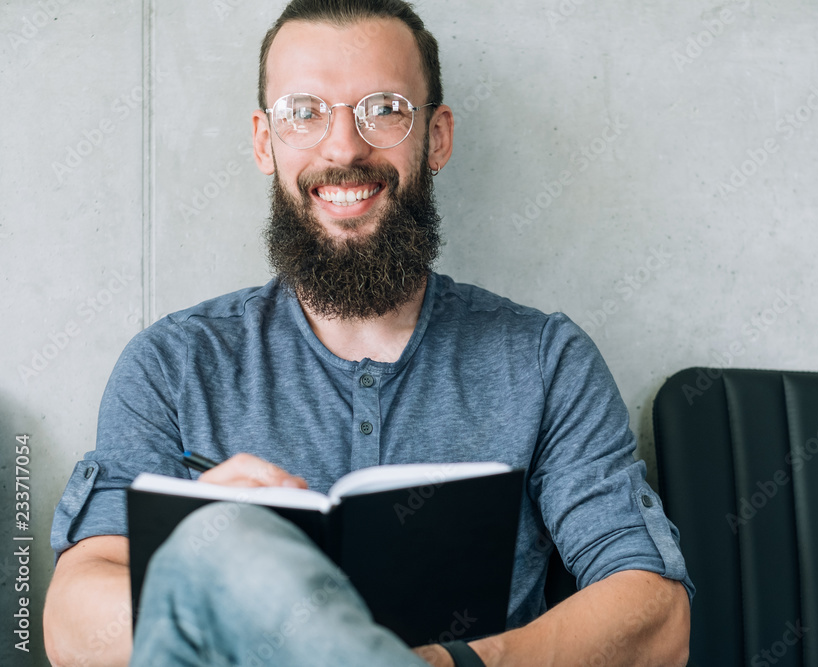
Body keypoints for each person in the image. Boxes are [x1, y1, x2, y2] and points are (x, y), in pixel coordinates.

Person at [43, 1, 693, 665]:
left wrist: (452, 663)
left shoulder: (544, 361)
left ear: (435, 138)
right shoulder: (172, 364)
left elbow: (657, 617)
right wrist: (206, 554)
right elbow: (72, 631)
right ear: (265, 142)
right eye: (305, 112)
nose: (344, 147)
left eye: (383, 109)